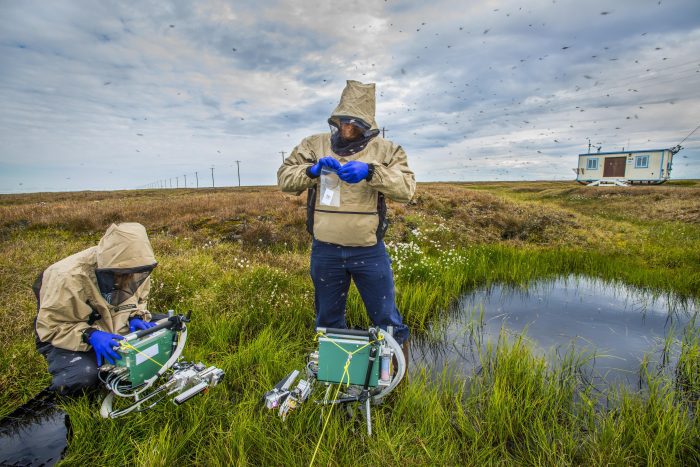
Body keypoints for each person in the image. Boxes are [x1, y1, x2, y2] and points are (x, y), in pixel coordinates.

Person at [277, 80, 416, 363]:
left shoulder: (387, 151)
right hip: (325, 252)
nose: (348, 129)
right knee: (328, 319)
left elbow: (407, 190)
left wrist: (371, 172)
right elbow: (285, 179)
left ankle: (395, 382)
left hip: (369, 251)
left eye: (355, 124)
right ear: (336, 119)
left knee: (387, 319)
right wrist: (312, 170)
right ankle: (336, 377)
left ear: (367, 125)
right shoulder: (314, 145)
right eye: (343, 122)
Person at [33, 222, 158, 395]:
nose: (129, 280)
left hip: (116, 326)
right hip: (67, 334)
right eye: (122, 275)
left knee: (168, 329)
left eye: (133, 274)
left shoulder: (137, 267)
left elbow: (140, 300)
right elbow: (50, 327)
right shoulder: (66, 277)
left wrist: (135, 317)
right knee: (81, 378)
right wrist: (91, 335)